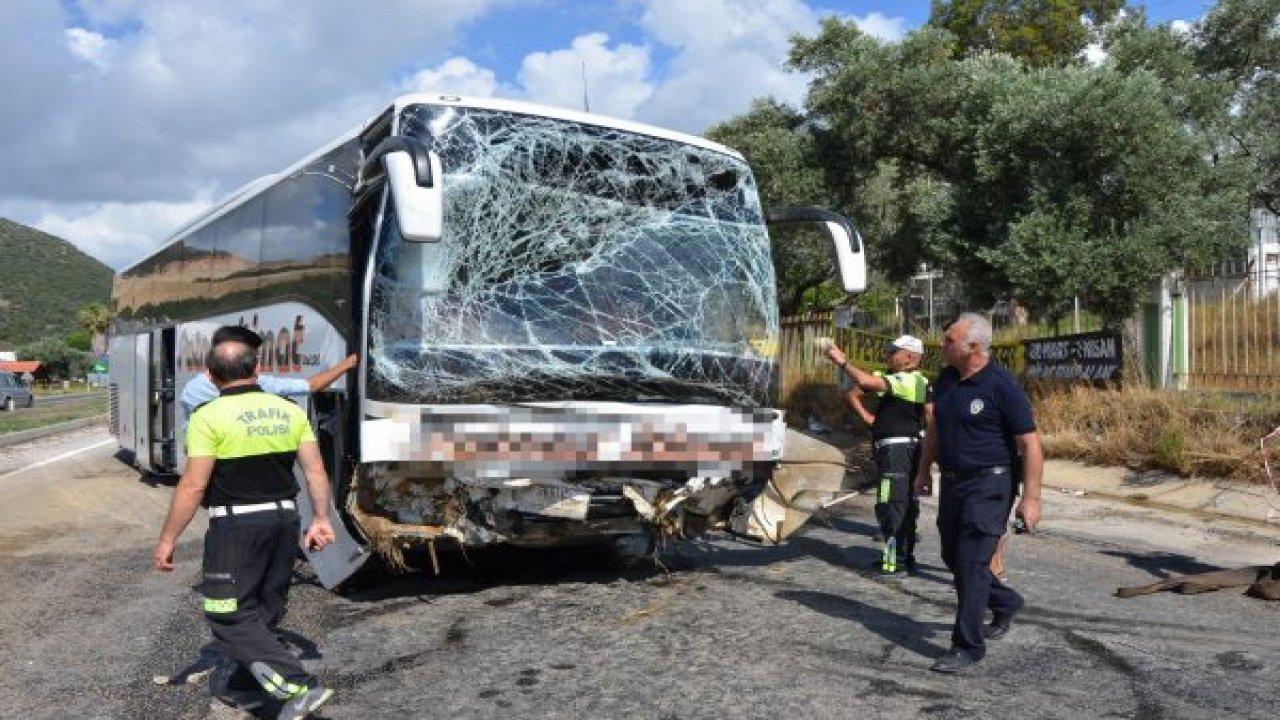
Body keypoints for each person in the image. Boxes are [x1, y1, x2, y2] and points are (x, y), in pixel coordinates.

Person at [152, 335, 339, 719]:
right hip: (285, 521)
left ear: (210, 376)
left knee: (227, 613)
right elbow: (316, 471)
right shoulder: (288, 410)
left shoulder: (207, 417)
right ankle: (247, 685)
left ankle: (298, 687)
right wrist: (321, 519)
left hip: (236, 527)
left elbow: (193, 485)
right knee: (264, 609)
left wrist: (168, 537)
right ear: (257, 370)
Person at [914, 312, 1043, 673]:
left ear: (973, 346)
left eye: (950, 339)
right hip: (953, 482)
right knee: (953, 558)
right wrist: (925, 470)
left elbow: (1031, 445)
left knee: (971, 563)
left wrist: (1030, 499)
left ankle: (967, 645)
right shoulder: (946, 380)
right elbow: (935, 428)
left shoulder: (1002, 386)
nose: (942, 344)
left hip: (990, 485)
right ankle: (1005, 601)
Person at [825, 335, 932, 576]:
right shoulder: (895, 379)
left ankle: (896, 561)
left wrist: (842, 362)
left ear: (911, 356)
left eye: (894, 351)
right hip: (891, 448)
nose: (888, 355)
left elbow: (863, 380)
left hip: (899, 450)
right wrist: (868, 417)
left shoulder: (911, 380)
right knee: (895, 501)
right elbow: (854, 391)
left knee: (893, 502)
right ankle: (898, 557)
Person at [178, 325, 358, 423]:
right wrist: (348, 363)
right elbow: (311, 385)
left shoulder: (191, 389)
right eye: (252, 355)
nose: (255, 361)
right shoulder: (259, 384)